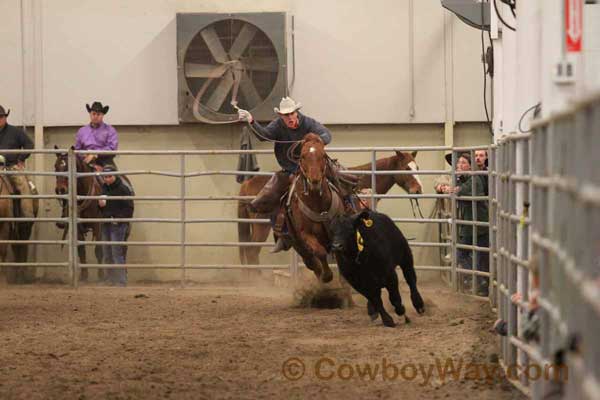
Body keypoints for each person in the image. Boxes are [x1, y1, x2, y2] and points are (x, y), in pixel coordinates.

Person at [237, 97, 333, 253]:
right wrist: (251, 120)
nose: (289, 118)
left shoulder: (308, 123)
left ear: (297, 113)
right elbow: (264, 135)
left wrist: (314, 140)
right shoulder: (278, 125)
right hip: (289, 170)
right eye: (285, 115)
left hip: (310, 168)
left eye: (291, 114)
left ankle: (341, 221)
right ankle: (283, 233)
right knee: (275, 197)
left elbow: (327, 135)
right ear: (281, 116)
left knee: (335, 182)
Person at [439, 152, 489, 296]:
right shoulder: (463, 178)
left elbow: (467, 192)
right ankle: (477, 282)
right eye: (458, 163)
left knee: (474, 256)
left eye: (463, 163)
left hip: (478, 223)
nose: (459, 165)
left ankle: (479, 283)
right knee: (468, 254)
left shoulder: (475, 178)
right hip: (470, 223)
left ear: (470, 165)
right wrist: (448, 188)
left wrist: (455, 190)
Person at [98, 164, 133, 286]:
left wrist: (119, 219)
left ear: (115, 175)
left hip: (118, 224)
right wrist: (101, 206)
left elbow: (129, 208)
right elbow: (102, 207)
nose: (107, 179)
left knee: (116, 252)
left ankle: (121, 281)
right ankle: (110, 279)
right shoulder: (104, 188)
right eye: (105, 177)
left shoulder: (123, 189)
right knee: (107, 252)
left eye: (109, 176)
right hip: (106, 222)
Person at [0, 105, 37, 218]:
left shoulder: (15, 132)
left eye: (1, 116)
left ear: (5, 117)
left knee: (24, 186)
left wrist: (21, 158)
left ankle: (27, 215)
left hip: (11, 167)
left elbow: (29, 144)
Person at [75, 102, 118, 172]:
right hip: (85, 161)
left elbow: (112, 148)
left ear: (103, 115)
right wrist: (84, 155)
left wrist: (95, 154)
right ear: (90, 114)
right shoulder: (81, 131)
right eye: (94, 114)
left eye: (98, 114)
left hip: (105, 161)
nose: (96, 116)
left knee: (114, 179)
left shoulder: (110, 130)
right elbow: (77, 149)